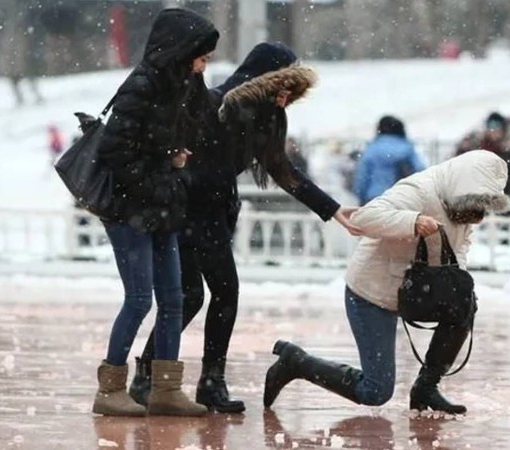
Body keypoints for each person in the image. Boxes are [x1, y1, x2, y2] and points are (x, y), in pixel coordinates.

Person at [128, 42, 362, 414]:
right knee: (210, 294)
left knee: (195, 296)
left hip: (210, 212)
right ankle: (176, 379)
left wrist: (332, 209)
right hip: (188, 210)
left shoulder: (269, 116)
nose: (288, 95)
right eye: (284, 83)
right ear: (267, 78)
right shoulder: (222, 103)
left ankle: (178, 380)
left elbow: (282, 170)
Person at [263, 150, 510, 414]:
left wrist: (454, 279)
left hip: (413, 288)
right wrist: (412, 221)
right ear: (463, 186)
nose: (476, 214)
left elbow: (461, 243)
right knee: (376, 391)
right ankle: (296, 362)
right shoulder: (419, 190)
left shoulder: (464, 205)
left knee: (463, 303)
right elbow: (365, 217)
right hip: (371, 292)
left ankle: (426, 387)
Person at [92, 8, 219, 417]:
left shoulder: (178, 86)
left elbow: (183, 131)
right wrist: (162, 173)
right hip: (130, 210)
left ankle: (166, 389)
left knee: (173, 299)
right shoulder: (142, 86)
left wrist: (172, 162)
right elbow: (117, 151)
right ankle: (110, 387)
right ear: (181, 50)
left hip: (163, 207)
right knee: (139, 299)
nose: (205, 63)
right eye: (201, 55)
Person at [455, 112, 510, 214]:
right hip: (478, 197)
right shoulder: (477, 144)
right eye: (491, 127)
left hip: (505, 197)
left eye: (497, 127)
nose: (494, 131)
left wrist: (508, 153)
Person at [354, 115, 425, 206]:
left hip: (374, 198)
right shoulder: (408, 148)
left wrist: (361, 196)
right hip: (402, 198)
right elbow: (420, 170)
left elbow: (362, 176)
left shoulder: (372, 149)